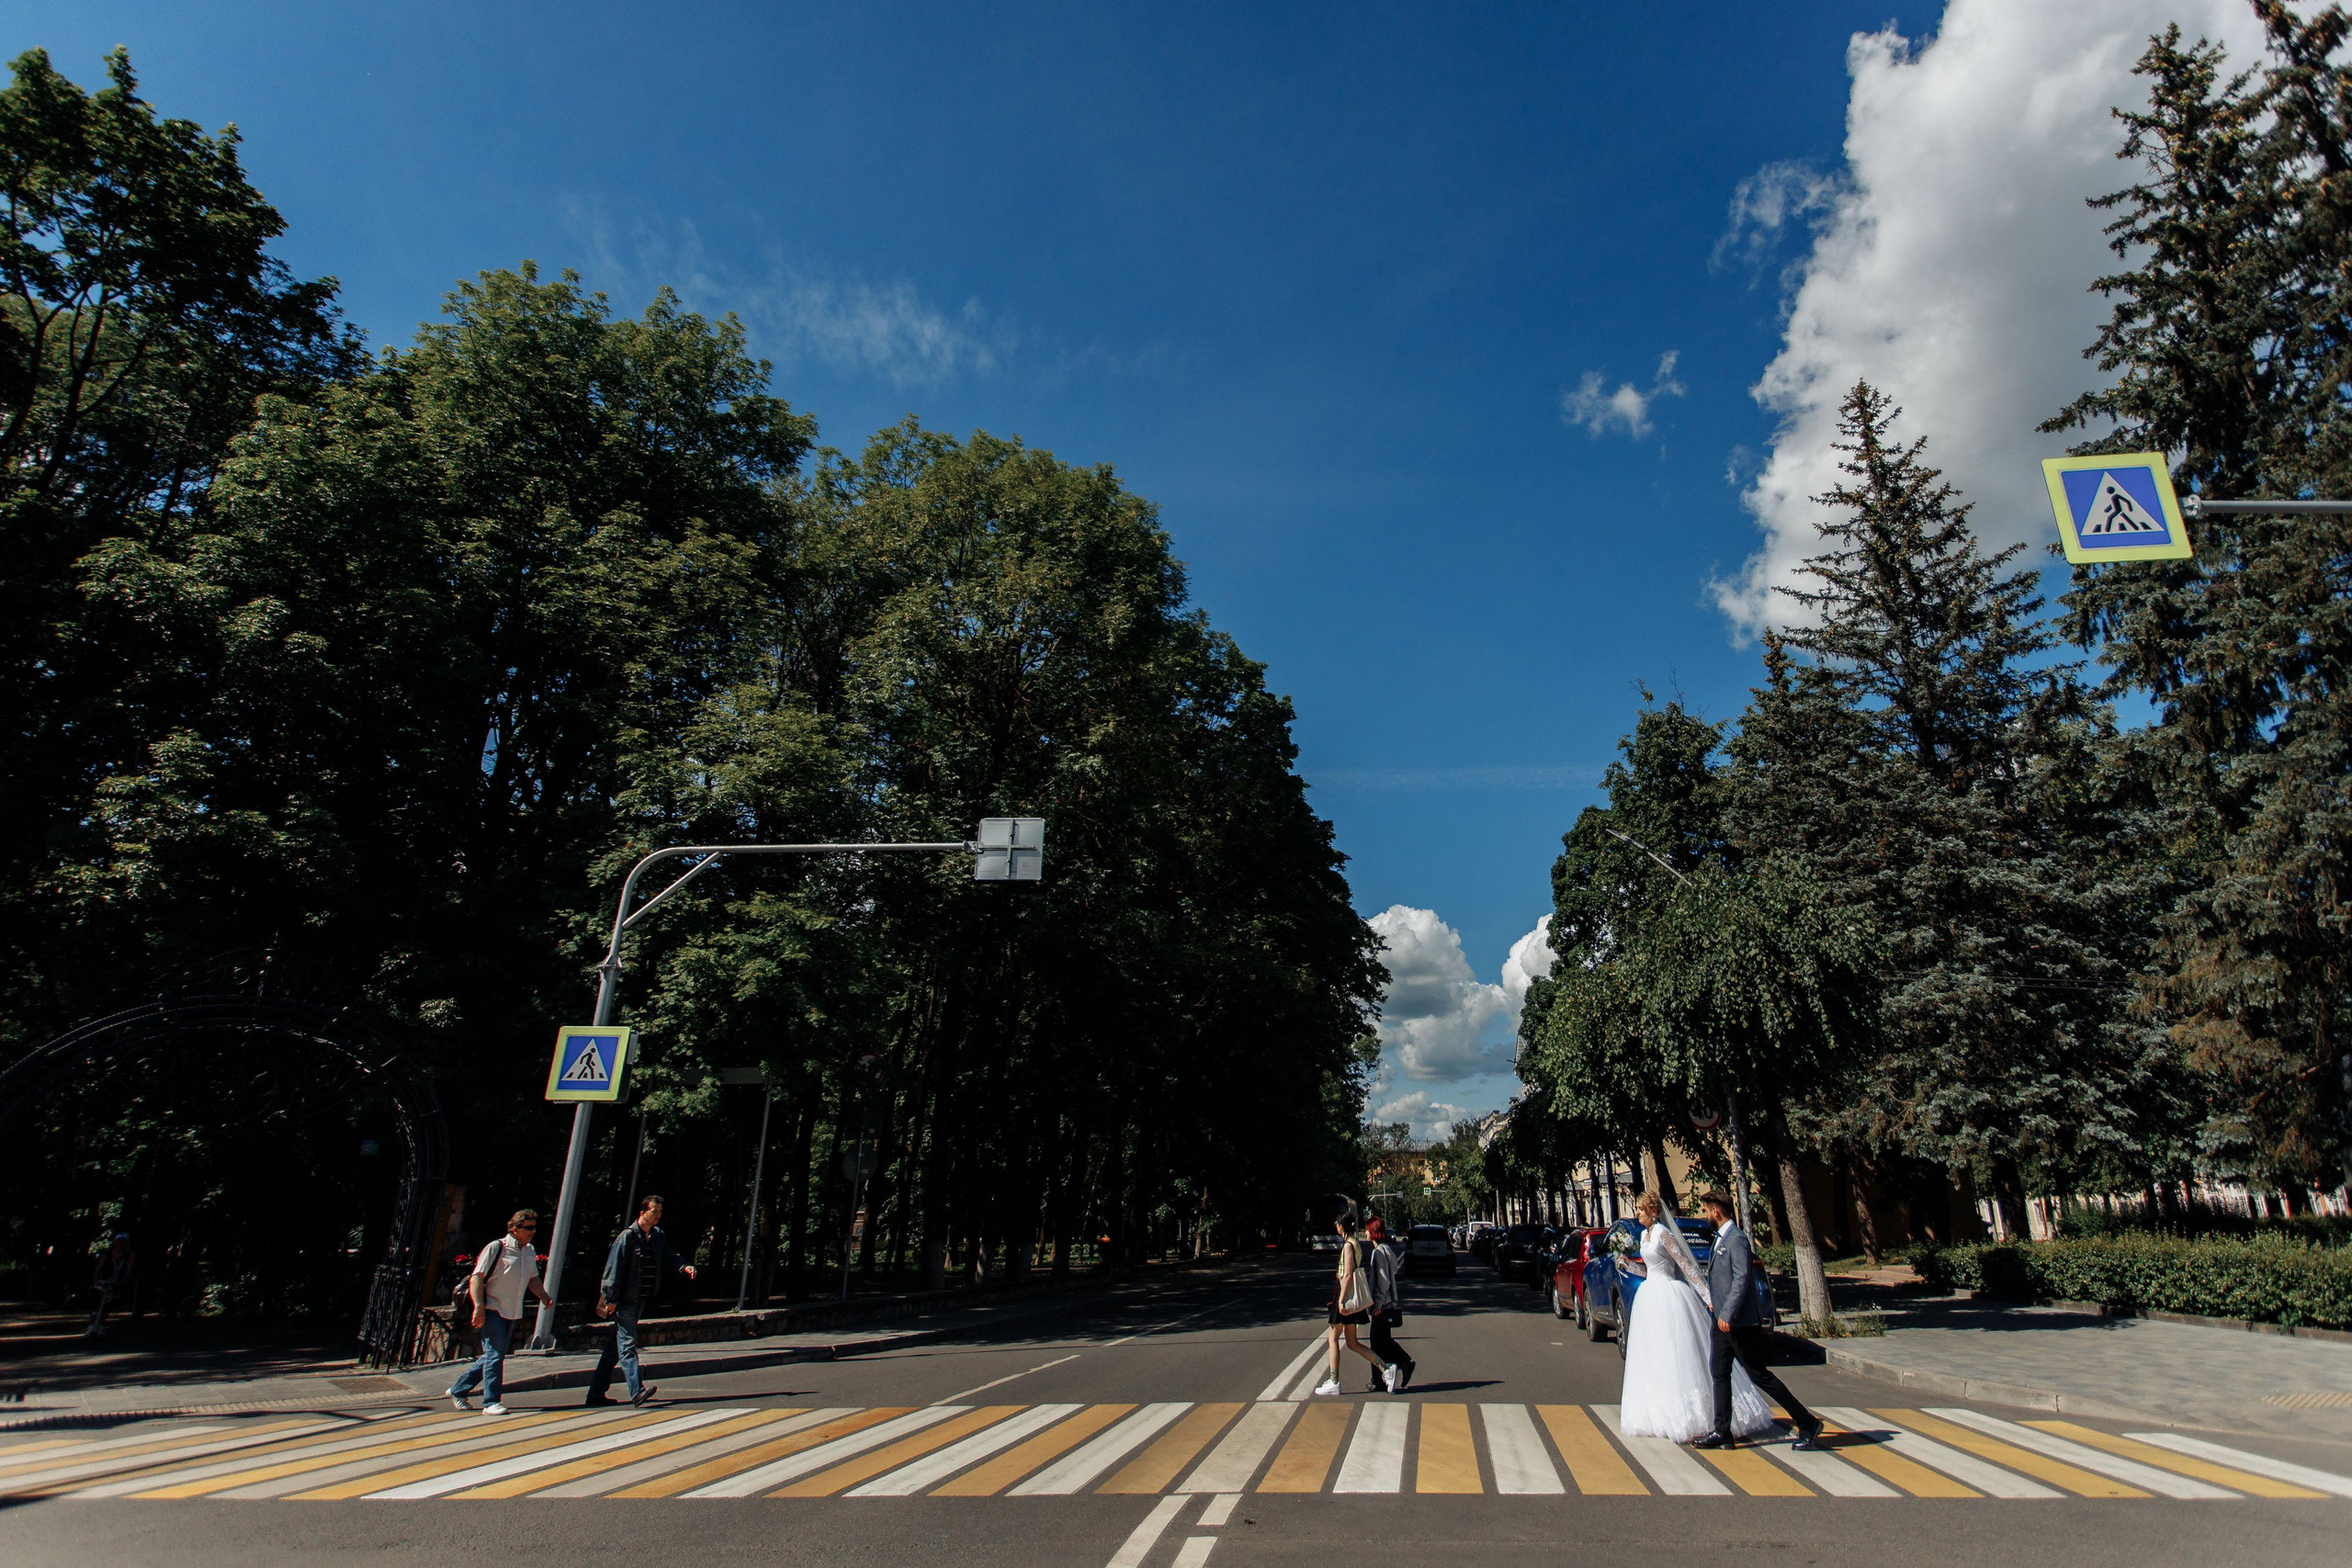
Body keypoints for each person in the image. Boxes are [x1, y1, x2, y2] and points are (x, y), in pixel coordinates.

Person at [1617, 1192, 1772, 1441]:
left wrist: (1709, 1299)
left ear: (1653, 1211)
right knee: (1653, 1357)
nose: (1637, 1213)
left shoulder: (1663, 1234)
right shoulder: (1643, 1236)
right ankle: (1659, 1413)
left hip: (1668, 1297)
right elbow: (1649, 1271)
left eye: (1641, 1209)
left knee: (1675, 1355)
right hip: (1650, 1297)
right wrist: (1628, 1265)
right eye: (1636, 1208)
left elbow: (1685, 1267)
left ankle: (1693, 1417)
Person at [1694, 1189, 1823, 1451]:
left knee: (1758, 1375)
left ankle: (1807, 1422)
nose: (1705, 1215)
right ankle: (1722, 1432)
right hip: (1720, 1321)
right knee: (1719, 1373)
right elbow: (1723, 1279)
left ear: (1716, 1211)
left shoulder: (1737, 1239)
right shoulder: (1720, 1238)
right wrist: (1714, 1305)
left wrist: (1727, 1313)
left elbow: (1742, 1279)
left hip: (1738, 1323)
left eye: (1706, 1210)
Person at [588, 1193, 698, 1407]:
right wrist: (610, 1298)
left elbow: (667, 1255)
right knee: (627, 1344)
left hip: (640, 1299)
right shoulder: (627, 1237)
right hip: (625, 1301)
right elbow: (613, 1268)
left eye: (660, 1212)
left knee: (614, 1348)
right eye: (653, 1212)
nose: (657, 1216)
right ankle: (637, 1392)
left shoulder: (657, 1235)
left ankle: (595, 1394)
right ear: (642, 1213)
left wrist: (683, 1265)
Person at [448, 1209, 553, 1416]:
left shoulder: (529, 1250)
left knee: (494, 1355)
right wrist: (478, 1306)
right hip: (492, 1308)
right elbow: (477, 1277)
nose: (532, 1232)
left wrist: (543, 1295)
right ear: (514, 1229)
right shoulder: (497, 1247)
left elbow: (532, 1277)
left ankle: (458, 1389)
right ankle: (491, 1402)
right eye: (528, 1228)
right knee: (495, 1355)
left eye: (534, 1228)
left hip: (512, 1310)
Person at [1314, 1213, 1397, 1396]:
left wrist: (1341, 1300)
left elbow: (1348, 1275)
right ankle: (1386, 1368)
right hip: (1348, 1296)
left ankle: (1334, 1381)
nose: (1335, 1226)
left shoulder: (1348, 1246)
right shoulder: (1355, 1244)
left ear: (1342, 1227)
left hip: (1345, 1297)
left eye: (1336, 1223)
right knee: (1352, 1343)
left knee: (1333, 1337)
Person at [1362, 1218, 1414, 1392]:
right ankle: (1385, 1375)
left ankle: (1401, 1365)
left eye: (1367, 1230)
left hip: (1382, 1306)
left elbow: (1383, 1281)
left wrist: (1377, 1304)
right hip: (1387, 1304)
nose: (1366, 1233)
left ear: (1373, 1231)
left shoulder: (1378, 1253)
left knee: (1377, 1343)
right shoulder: (1385, 1250)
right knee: (1382, 1341)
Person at [84, 1234, 136, 1337]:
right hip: (104, 1280)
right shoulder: (107, 1254)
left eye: (123, 1241)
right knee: (95, 1301)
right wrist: (96, 1279)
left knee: (110, 1303)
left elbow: (128, 1270)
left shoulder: (129, 1255)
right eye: (118, 1241)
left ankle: (99, 1324)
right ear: (114, 1242)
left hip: (117, 1282)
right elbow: (98, 1269)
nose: (120, 1244)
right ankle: (92, 1325)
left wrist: (124, 1281)